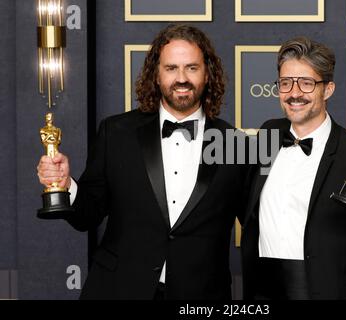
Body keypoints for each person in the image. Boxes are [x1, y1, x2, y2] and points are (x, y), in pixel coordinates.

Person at [37, 24, 248, 300]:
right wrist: (66, 186)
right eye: (171, 68)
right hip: (118, 289)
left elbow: (258, 226)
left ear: (207, 74)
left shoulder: (237, 144)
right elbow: (88, 215)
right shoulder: (117, 133)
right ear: (156, 75)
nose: (181, 78)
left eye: (192, 68)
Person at [241, 36, 346, 300]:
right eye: (285, 83)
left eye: (307, 83)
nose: (294, 93)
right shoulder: (268, 133)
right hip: (262, 292)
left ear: (328, 89)